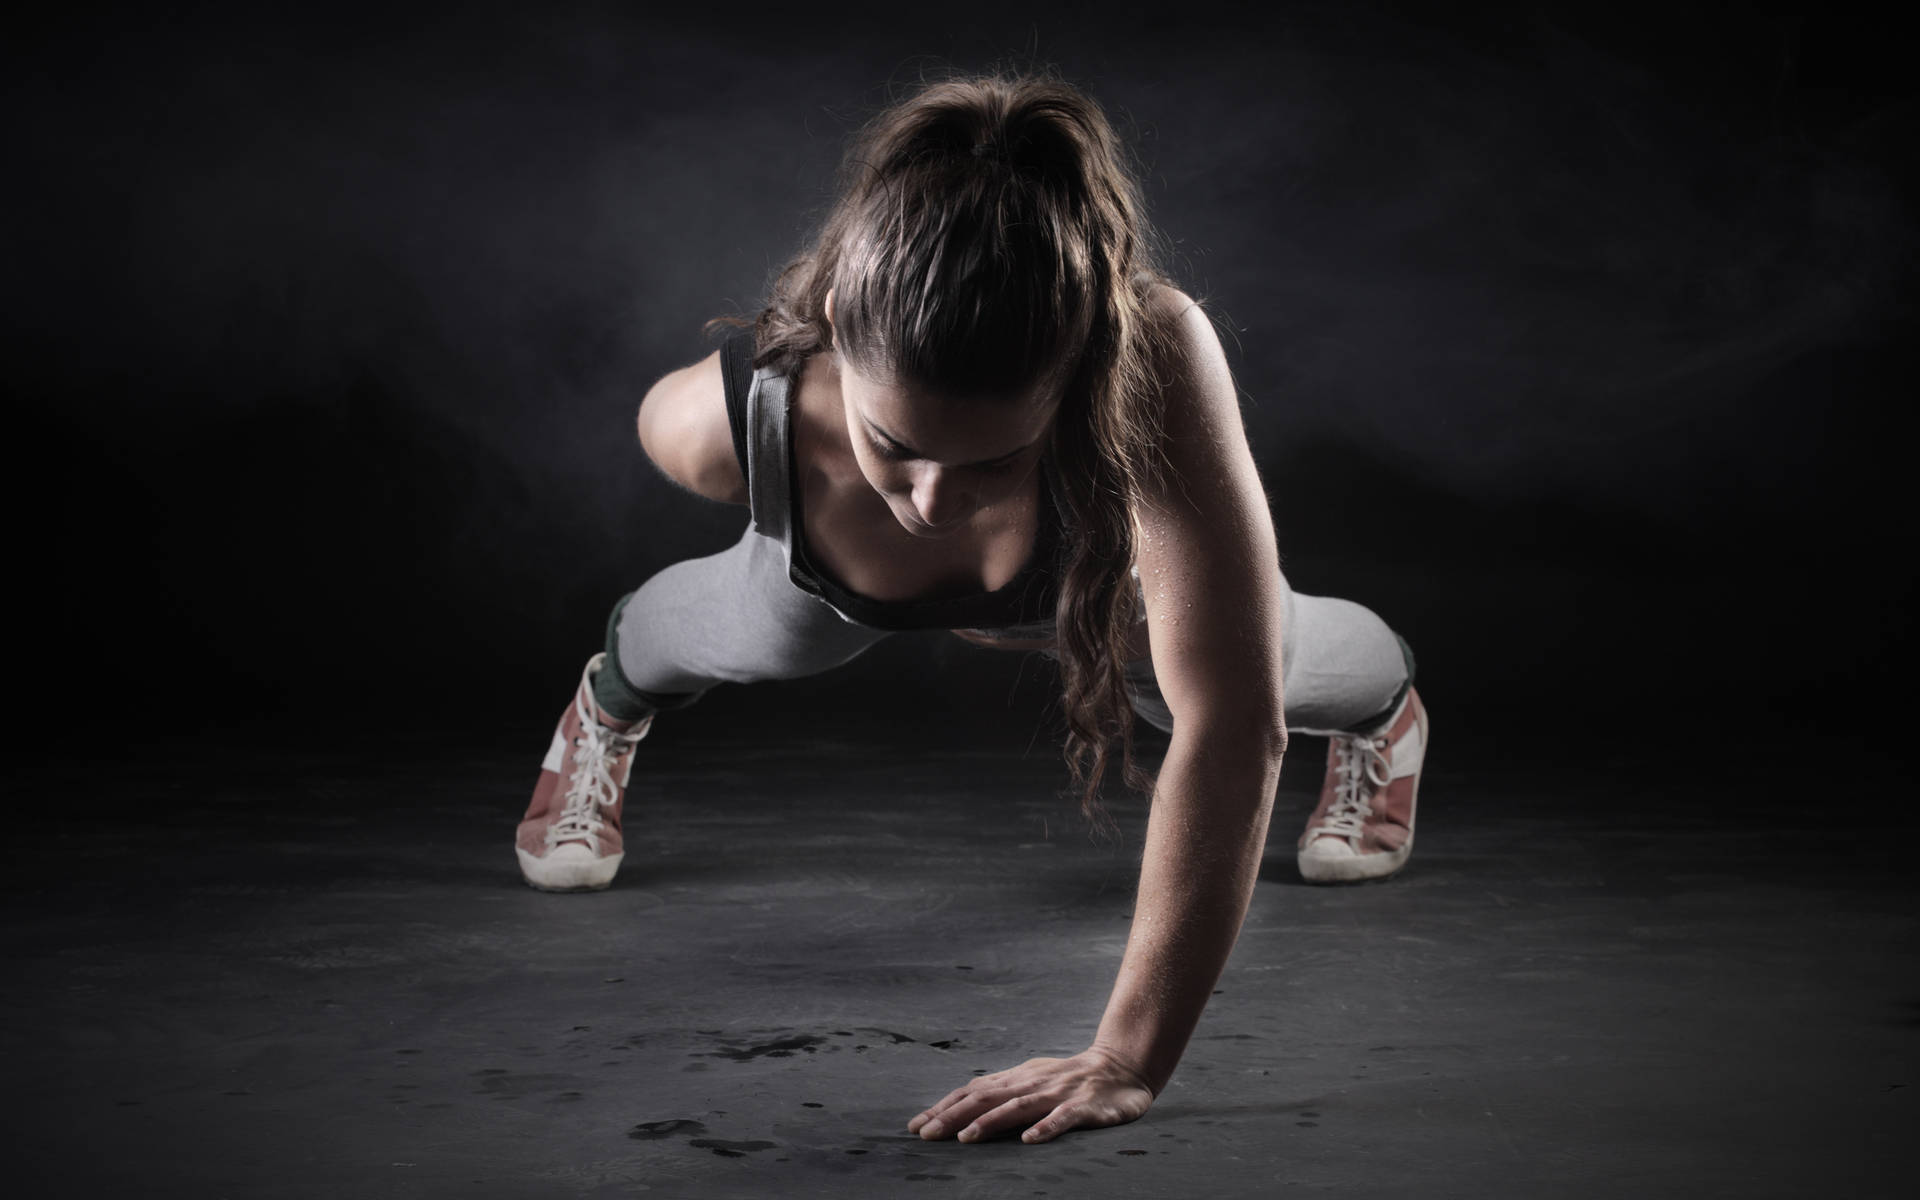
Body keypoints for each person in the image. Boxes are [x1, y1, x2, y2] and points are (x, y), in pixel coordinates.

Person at [514, 69, 1427, 1145]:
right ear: (842, 335)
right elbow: (665, 429)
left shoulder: (1155, 354)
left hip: (1108, 594)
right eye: (895, 448)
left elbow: (1236, 729)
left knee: (1263, 663)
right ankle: (607, 704)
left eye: (995, 460)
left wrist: (1129, 1056)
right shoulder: (745, 410)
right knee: (756, 630)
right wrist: (793, 483)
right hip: (833, 577)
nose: (934, 503)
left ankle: (1390, 713)